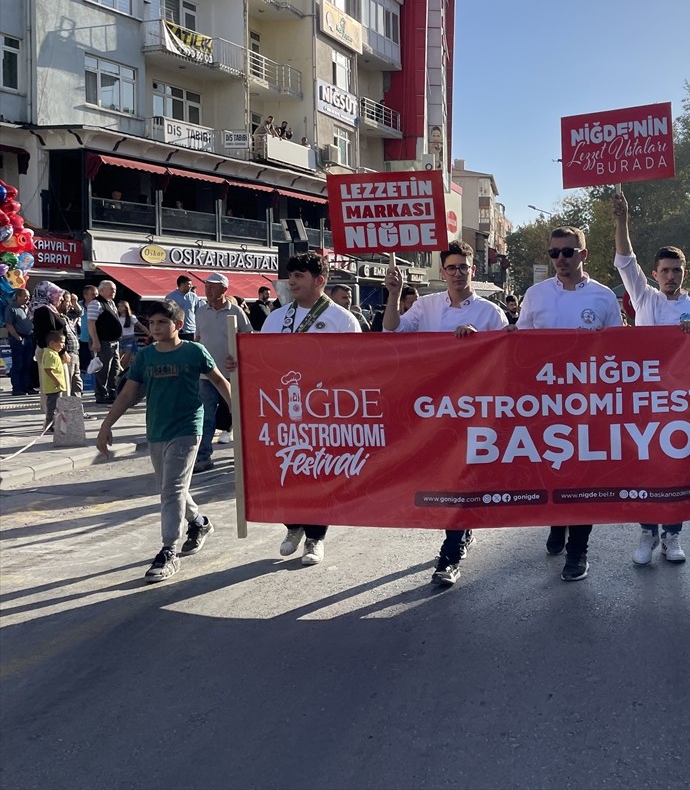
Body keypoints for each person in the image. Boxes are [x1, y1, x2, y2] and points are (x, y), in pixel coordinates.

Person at [383, 240, 508, 586]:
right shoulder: (426, 306)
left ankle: (449, 555)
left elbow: (505, 361)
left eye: (462, 267)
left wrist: (478, 341)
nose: (456, 273)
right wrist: (393, 296)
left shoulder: (490, 313)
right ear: (442, 272)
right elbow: (392, 332)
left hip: (472, 410)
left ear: (473, 269)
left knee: (460, 476)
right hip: (430, 411)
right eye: (450, 268)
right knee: (439, 479)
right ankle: (462, 532)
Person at [612, 187, 690, 567]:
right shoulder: (645, 298)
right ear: (654, 274)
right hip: (644, 400)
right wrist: (622, 220)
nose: (670, 275)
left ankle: (672, 536)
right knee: (646, 466)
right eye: (664, 270)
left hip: (683, 403)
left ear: (685, 274)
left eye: (676, 270)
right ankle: (646, 531)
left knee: (676, 467)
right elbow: (625, 259)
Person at [516, 226, 622, 581]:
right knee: (551, 470)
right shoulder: (535, 295)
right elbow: (519, 350)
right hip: (544, 405)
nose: (560, 259)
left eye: (568, 252)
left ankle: (578, 550)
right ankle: (557, 520)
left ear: (583, 255)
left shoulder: (604, 297)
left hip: (590, 405)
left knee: (584, 476)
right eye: (554, 253)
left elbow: (621, 352)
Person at [97, 299, 230, 583]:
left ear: (178, 325)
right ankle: (199, 523)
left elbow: (219, 381)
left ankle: (169, 550)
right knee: (171, 488)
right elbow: (129, 393)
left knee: (171, 489)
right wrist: (106, 425)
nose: (155, 328)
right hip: (157, 430)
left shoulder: (194, 351)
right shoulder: (146, 357)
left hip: (187, 429)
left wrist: (238, 413)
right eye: (153, 323)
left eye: (162, 323)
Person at [253, 253, 361, 566]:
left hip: (324, 412)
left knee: (317, 472)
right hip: (282, 409)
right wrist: (239, 363)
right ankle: (293, 525)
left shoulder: (342, 319)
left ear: (319, 281)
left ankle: (316, 538)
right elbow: (260, 359)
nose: (292, 282)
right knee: (286, 470)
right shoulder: (276, 317)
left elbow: (356, 366)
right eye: (291, 275)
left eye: (299, 276)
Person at [193, 273, 252, 473]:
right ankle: (203, 457)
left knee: (238, 415)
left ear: (224, 290)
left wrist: (239, 357)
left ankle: (243, 456)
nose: (208, 291)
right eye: (206, 286)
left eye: (213, 287)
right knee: (206, 416)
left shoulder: (236, 312)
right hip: (206, 374)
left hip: (231, 373)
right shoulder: (200, 312)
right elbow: (198, 338)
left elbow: (248, 338)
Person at [87, 280, 123, 405]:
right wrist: (95, 341)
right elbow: (91, 323)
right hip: (103, 341)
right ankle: (101, 394)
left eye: (114, 289)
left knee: (115, 369)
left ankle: (112, 392)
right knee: (103, 370)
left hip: (114, 342)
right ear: (102, 290)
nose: (114, 291)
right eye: (111, 289)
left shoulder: (111, 303)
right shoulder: (96, 303)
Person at [4, 287, 35, 395]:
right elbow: (8, 324)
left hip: (29, 337)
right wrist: (17, 337)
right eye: (25, 296)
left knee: (27, 364)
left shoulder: (28, 308)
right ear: (18, 296)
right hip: (18, 338)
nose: (28, 298)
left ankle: (26, 387)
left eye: (29, 296)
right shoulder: (11, 308)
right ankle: (17, 388)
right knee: (18, 364)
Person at [40, 330, 68, 430]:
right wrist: (56, 380)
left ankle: (54, 423)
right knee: (52, 407)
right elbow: (48, 369)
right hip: (53, 387)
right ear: (52, 343)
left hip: (56, 387)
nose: (63, 345)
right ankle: (49, 425)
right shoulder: (50, 354)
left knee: (56, 406)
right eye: (62, 342)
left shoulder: (54, 353)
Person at [165, 275, 199, 340]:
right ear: (182, 284)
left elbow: (198, 312)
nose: (191, 286)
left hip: (191, 331)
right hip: (176, 330)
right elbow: (167, 314)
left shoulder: (194, 297)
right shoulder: (171, 297)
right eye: (189, 284)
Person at [77, 285, 97, 377]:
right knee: (82, 365)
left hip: (95, 339)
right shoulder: (78, 305)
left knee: (94, 364)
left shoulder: (99, 306)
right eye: (93, 294)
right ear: (85, 295)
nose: (95, 296)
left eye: (96, 294)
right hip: (81, 339)